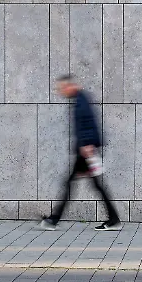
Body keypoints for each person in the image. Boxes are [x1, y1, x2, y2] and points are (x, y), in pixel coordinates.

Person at [40, 75, 122, 231]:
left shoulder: (81, 101)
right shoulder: (80, 99)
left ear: (70, 86)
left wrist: (87, 145)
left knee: (79, 184)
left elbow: (88, 124)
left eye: (62, 88)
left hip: (86, 151)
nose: (61, 92)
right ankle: (113, 219)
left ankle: (54, 220)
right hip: (85, 150)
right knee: (90, 185)